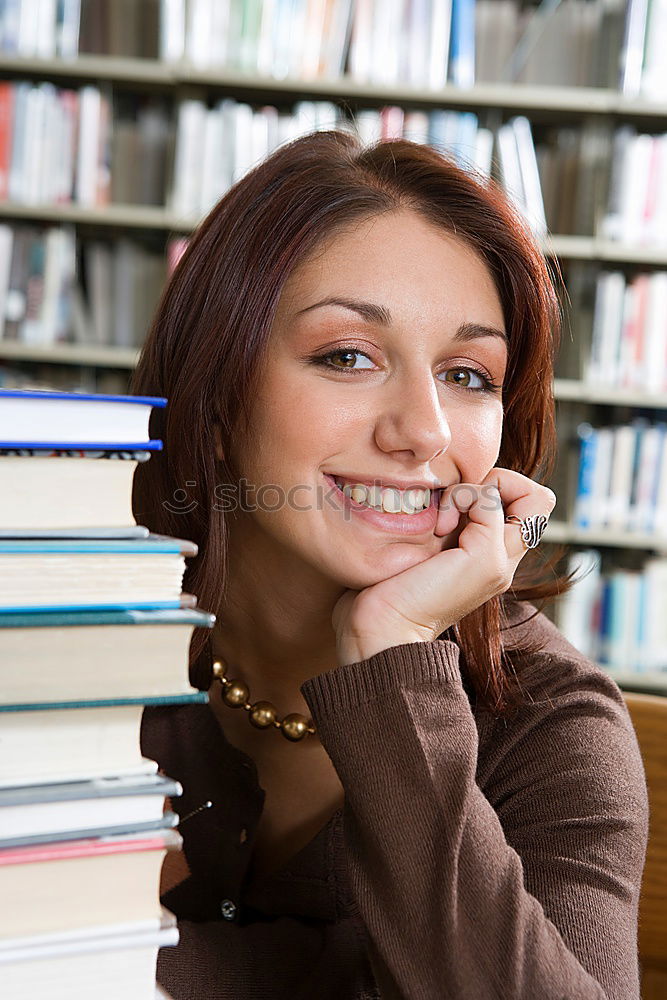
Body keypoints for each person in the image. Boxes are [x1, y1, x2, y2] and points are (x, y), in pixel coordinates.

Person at [132, 129, 648, 1000]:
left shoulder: (550, 722)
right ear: (216, 398)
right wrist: (338, 974)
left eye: (467, 374)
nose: (424, 432)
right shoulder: (62, 617)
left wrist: (394, 654)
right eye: (348, 357)